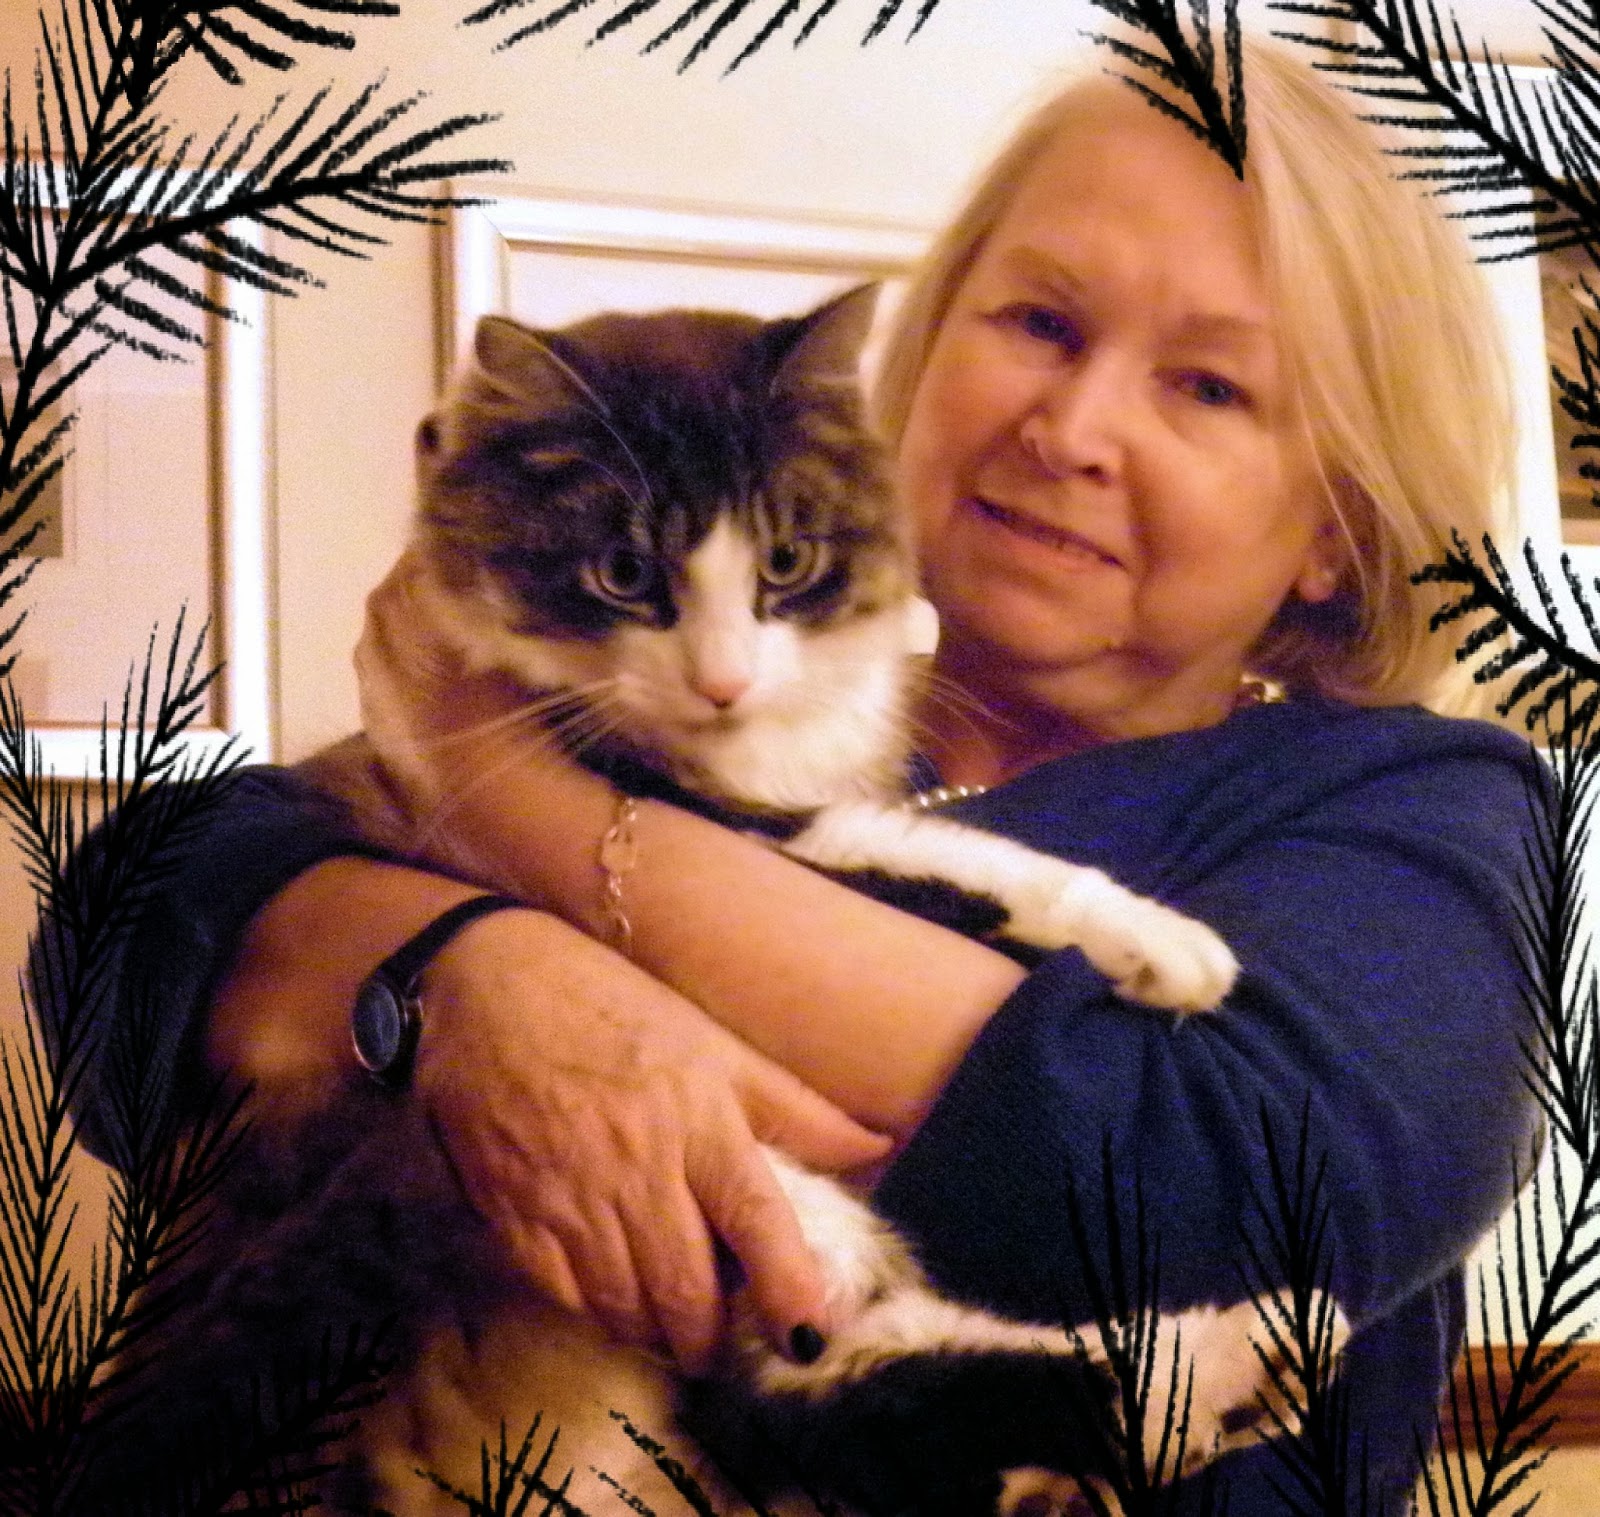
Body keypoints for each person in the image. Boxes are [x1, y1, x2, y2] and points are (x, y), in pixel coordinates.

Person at [62, 39, 1542, 1514]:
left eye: (1209, 386)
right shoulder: (730, 721)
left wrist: (508, 805)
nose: (1072, 430)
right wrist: (462, 974)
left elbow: (1203, 1177)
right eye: (1040, 321)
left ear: (1337, 525)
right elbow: (117, 947)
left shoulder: (1421, 805)